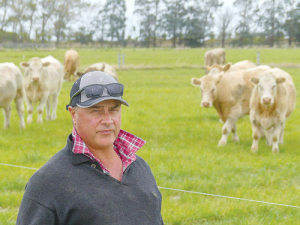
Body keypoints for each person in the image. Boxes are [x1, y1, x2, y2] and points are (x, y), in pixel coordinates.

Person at [17, 71, 163, 225]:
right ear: (73, 114)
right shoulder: (46, 182)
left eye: (114, 109)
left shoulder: (140, 167)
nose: (108, 120)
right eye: (96, 110)